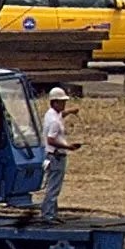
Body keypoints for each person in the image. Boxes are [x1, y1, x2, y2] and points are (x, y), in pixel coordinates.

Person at [39, 87, 80, 223]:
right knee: (54, 187)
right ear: (54, 102)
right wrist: (68, 147)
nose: (64, 105)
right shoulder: (55, 122)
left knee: (53, 185)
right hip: (56, 156)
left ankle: (51, 213)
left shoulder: (50, 114)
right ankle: (48, 215)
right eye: (61, 102)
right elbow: (51, 139)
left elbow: (60, 115)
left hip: (50, 155)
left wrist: (70, 112)